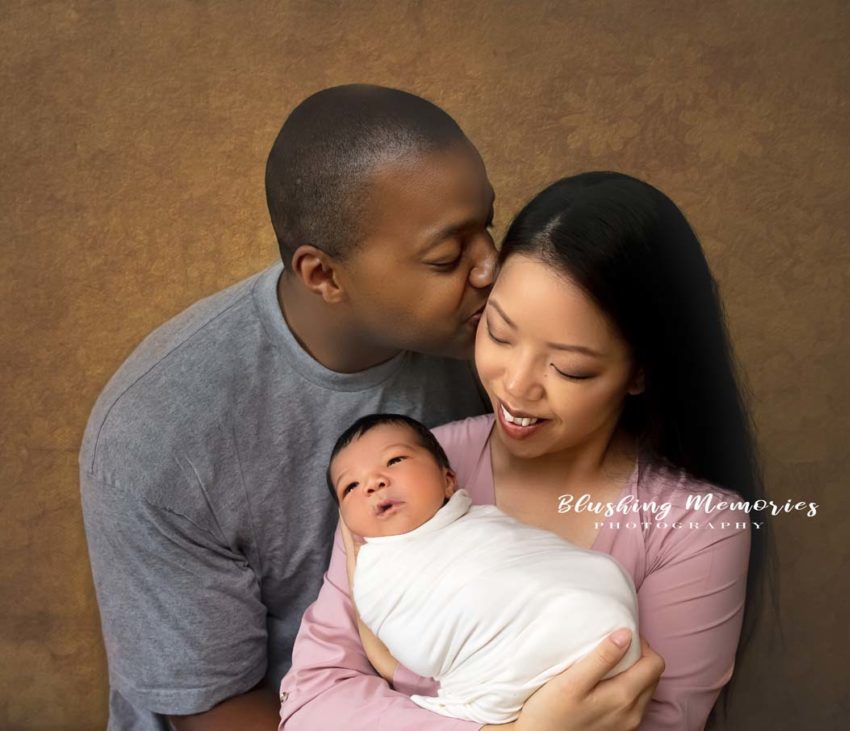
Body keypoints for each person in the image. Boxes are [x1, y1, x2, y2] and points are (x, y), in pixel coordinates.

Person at [281, 172, 775, 730]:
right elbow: (311, 704)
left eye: (568, 367)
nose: (515, 386)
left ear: (640, 372)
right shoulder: (406, 469)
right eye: (499, 333)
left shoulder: (694, 530)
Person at [79, 84, 500, 730]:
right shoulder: (159, 435)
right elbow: (215, 715)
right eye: (448, 256)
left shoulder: (490, 343)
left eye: (488, 227)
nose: (490, 268)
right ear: (324, 275)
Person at [327, 413, 642, 724]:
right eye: (350, 486)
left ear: (448, 480)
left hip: (597, 627)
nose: (372, 483)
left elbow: (528, 561)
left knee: (598, 575)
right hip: (511, 676)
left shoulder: (483, 522)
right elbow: (413, 644)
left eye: (395, 460)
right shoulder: (374, 573)